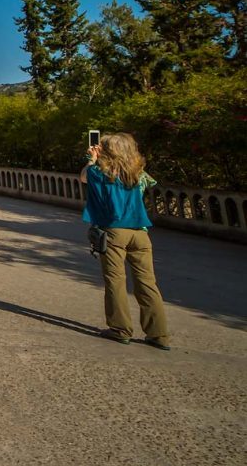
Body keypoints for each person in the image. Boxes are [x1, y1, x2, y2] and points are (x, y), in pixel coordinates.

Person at [82, 134, 170, 349]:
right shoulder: (139, 174)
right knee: (147, 283)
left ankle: (120, 330)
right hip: (140, 233)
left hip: (114, 232)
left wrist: (92, 159)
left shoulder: (98, 172)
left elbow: (84, 177)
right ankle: (158, 334)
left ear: (108, 151)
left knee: (115, 281)